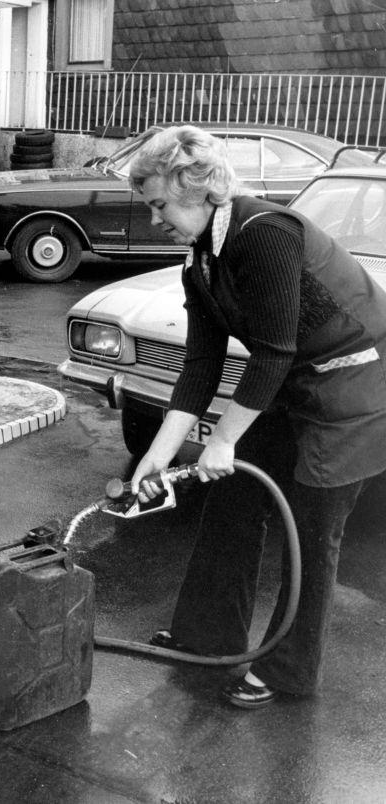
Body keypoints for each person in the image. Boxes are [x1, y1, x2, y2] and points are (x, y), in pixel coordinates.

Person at [126, 125, 386, 709]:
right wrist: (158, 457)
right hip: (291, 386)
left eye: (160, 203)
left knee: (312, 530)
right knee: (233, 499)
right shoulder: (202, 260)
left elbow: (271, 352)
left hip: (354, 391)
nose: (154, 219)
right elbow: (201, 364)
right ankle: (206, 635)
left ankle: (289, 671)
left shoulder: (265, 233)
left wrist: (221, 442)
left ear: (200, 188)